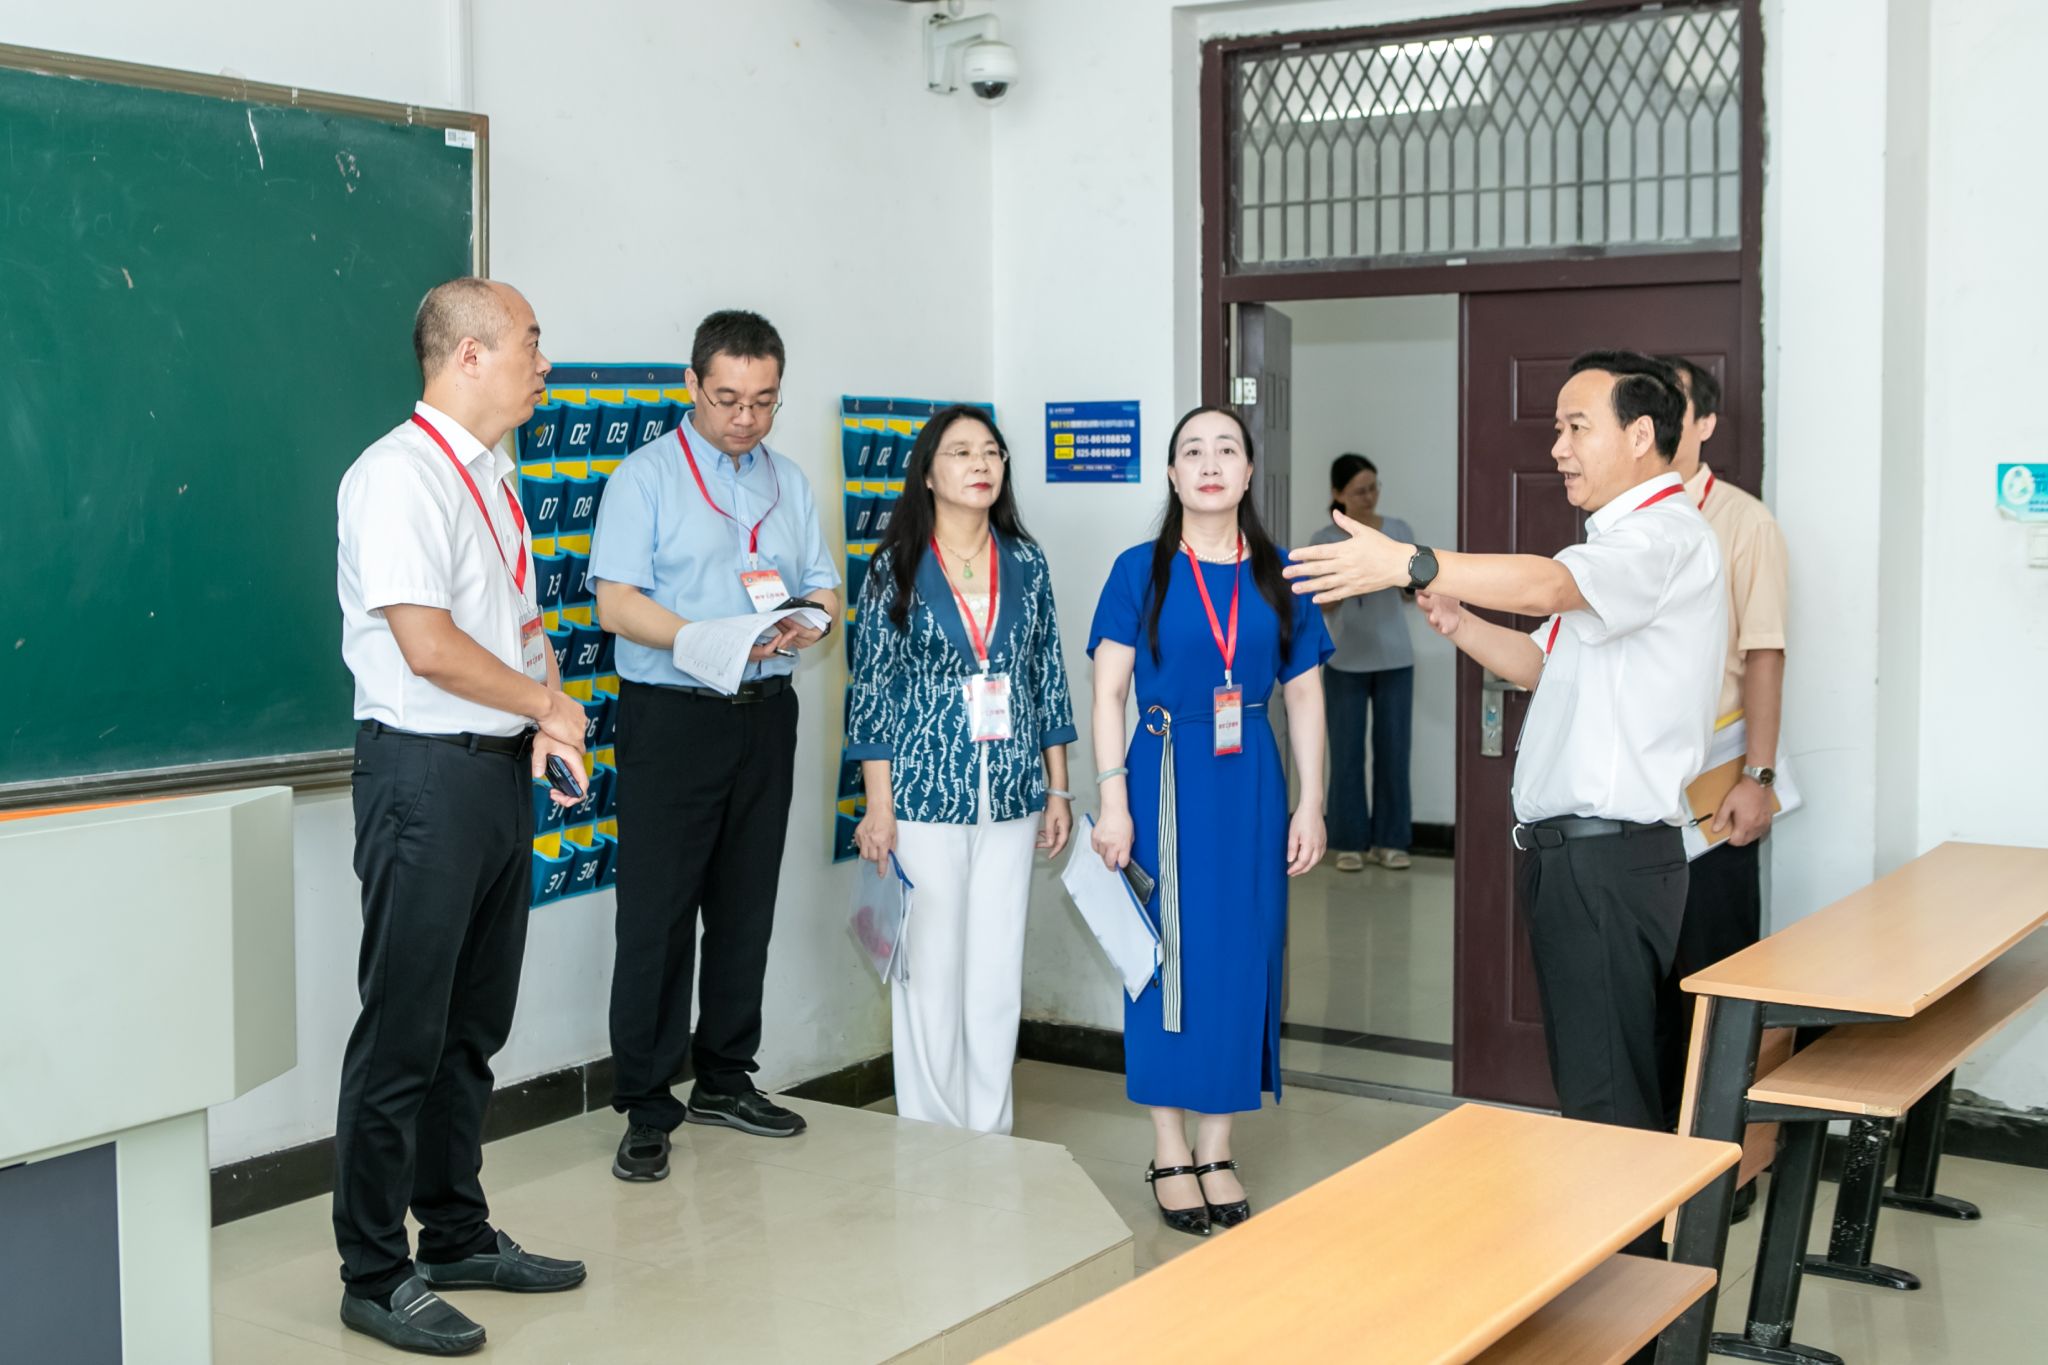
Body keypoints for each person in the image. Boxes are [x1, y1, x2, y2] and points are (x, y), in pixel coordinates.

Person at [1285, 352, 1725, 1169]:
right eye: (1557, 428)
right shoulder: (1618, 544)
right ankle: (1626, 1240)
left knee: (1606, 1104)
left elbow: (1548, 588)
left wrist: (1411, 560)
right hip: (1585, 858)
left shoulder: (1660, 536)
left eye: (1576, 427)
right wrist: (1458, 622)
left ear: (1639, 435)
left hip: (1610, 857)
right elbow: (1540, 663)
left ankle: (1629, 1248)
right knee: (1597, 1082)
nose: (1558, 447)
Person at [333, 277, 590, 1355]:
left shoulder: (493, 473)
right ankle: (372, 1272)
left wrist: (545, 718)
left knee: (471, 1028)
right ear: (470, 354)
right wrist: (545, 703)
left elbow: (516, 625)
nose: (544, 363)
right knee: (404, 1031)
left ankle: (453, 1233)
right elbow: (427, 645)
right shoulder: (396, 476)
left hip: (492, 776)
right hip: (422, 780)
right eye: (530, 342)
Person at [588, 310, 840, 1182]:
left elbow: (822, 586)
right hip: (674, 715)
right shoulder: (645, 477)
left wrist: (808, 622)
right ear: (692, 384)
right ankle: (646, 1103)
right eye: (728, 398)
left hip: (765, 715)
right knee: (657, 913)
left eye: (764, 401)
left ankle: (726, 1077)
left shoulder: (788, 482)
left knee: (745, 904)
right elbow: (616, 603)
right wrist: (705, 639)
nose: (745, 418)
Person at [1089, 406, 1331, 1237]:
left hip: (1249, 777)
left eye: (1227, 448)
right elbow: (1108, 693)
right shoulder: (1140, 570)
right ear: (1172, 473)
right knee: (1163, 960)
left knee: (1242, 954)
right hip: (1164, 775)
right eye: (1192, 450)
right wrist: (1112, 799)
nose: (1210, 462)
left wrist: (1311, 800)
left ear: (1249, 470)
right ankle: (1168, 1147)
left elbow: (1305, 694)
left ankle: (1217, 1144)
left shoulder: (1281, 571)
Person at [846, 405, 1077, 1135]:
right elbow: (872, 693)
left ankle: (989, 1128)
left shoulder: (1026, 562)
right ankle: (931, 1130)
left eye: (992, 452)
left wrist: (1058, 787)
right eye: (961, 452)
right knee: (930, 971)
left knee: (996, 971)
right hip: (922, 796)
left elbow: (1047, 677)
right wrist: (878, 806)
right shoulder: (895, 566)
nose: (980, 464)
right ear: (927, 473)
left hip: (1012, 795)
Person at [1655, 356, 1789, 1137]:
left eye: (1673, 409)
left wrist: (1758, 776)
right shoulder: (1623, 521)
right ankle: (1650, 1159)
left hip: (1716, 787)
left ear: (1705, 423)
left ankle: (1722, 1159)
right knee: (1645, 983)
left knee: (1714, 973)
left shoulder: (1743, 521)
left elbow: (1764, 652)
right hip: (1637, 793)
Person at [1313, 454, 1417, 872]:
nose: (1369, 497)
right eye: (1359, 491)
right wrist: (1350, 581)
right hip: (1344, 660)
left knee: (1394, 753)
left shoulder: (1399, 532)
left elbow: (1414, 592)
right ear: (1338, 494)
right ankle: (1348, 842)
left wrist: (1393, 574)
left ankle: (1391, 841)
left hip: (1395, 660)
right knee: (1346, 756)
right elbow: (1321, 602)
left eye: (1373, 488)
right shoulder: (1324, 538)